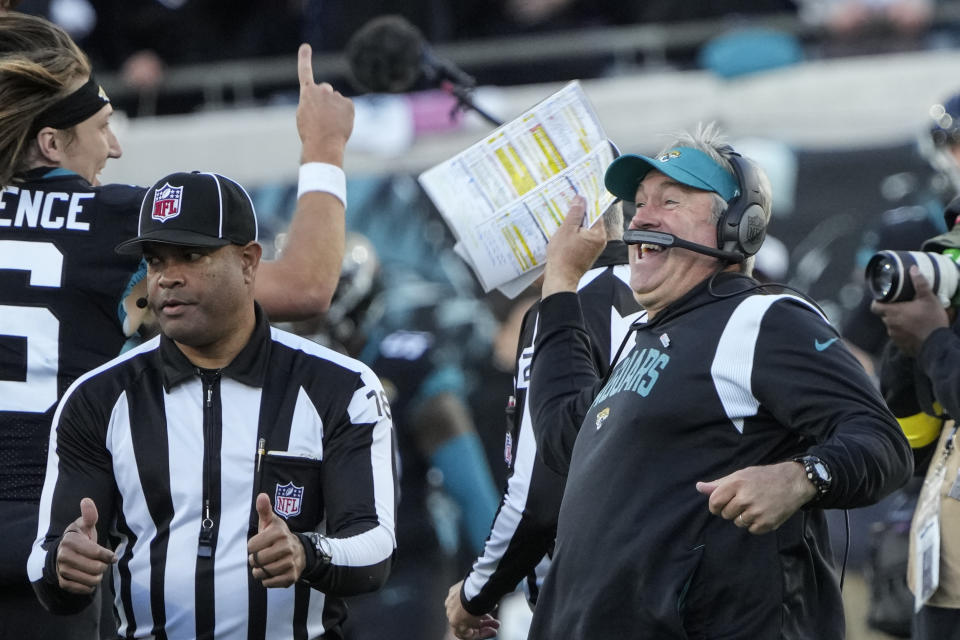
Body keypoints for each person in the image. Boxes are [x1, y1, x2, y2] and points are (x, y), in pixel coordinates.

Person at [0, 12, 352, 639]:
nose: (114, 147)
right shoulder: (112, 218)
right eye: (102, 128)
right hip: (54, 530)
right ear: (52, 143)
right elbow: (306, 284)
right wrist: (322, 150)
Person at [523, 124, 913, 639]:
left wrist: (800, 476)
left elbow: (884, 442)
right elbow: (559, 438)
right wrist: (560, 286)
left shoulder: (761, 318)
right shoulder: (641, 344)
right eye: (638, 203)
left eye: (670, 200)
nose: (640, 218)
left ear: (738, 227)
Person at [27, 171, 397, 640]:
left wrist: (307, 552)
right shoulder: (98, 397)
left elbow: (376, 546)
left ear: (248, 261)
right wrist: (64, 565)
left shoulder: (338, 385)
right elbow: (45, 559)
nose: (167, 277)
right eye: (155, 260)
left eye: (191, 255)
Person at [444, 201, 644, 640]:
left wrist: (474, 594)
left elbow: (536, 493)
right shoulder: (673, 296)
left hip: (593, 606)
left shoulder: (561, 307)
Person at [287, 232, 501, 640]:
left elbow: (471, 491)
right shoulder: (279, 376)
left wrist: (500, 581)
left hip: (399, 577)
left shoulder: (405, 369)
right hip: (307, 579)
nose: (299, 318)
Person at [871, 221, 960, 640]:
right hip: (943, 593)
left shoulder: (945, 348)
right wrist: (905, 350)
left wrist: (933, 340)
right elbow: (909, 449)